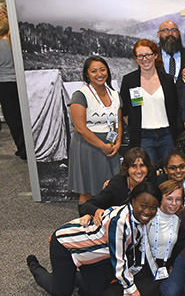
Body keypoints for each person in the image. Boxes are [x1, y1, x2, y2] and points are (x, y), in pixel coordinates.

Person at [27, 183, 163, 296]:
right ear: (133, 201)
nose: (148, 212)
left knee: (95, 292)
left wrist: (157, 273)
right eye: (143, 206)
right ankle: (34, 266)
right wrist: (132, 291)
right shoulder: (119, 222)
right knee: (61, 292)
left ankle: (71, 275)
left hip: (94, 255)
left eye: (153, 208)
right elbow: (119, 261)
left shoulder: (143, 218)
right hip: (66, 244)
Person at [69, 56, 123, 204]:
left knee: (111, 187)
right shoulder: (80, 95)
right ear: (87, 74)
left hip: (110, 146)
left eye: (102, 69)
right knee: (88, 190)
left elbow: (117, 122)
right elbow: (80, 128)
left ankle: (106, 221)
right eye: (93, 71)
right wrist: (102, 146)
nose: (99, 74)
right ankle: (87, 221)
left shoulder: (114, 94)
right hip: (89, 146)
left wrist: (117, 143)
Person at [119, 39, 183, 162]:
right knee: (147, 173)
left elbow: (174, 107)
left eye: (148, 55)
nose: (144, 59)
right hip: (143, 137)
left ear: (155, 55)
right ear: (135, 58)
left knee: (169, 172)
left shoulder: (167, 80)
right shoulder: (129, 80)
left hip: (167, 136)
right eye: (140, 56)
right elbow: (125, 112)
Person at [79, 147, 154, 218]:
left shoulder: (152, 180)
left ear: (148, 168)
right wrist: (97, 211)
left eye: (142, 165)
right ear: (127, 168)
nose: (138, 171)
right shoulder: (117, 185)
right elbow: (86, 206)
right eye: (134, 166)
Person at [144, 180, 185, 295]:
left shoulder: (178, 219)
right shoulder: (148, 217)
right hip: (146, 266)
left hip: (165, 267)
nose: (174, 203)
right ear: (160, 198)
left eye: (178, 199)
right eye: (169, 199)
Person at [0, 17, 24, 159]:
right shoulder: (12, 41)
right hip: (18, 82)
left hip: (4, 84)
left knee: (12, 118)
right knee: (22, 116)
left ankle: (22, 148)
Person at [158, 20, 185, 86]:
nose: (170, 33)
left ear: (179, 33)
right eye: (166, 30)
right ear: (158, 34)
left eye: (173, 30)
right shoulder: (152, 58)